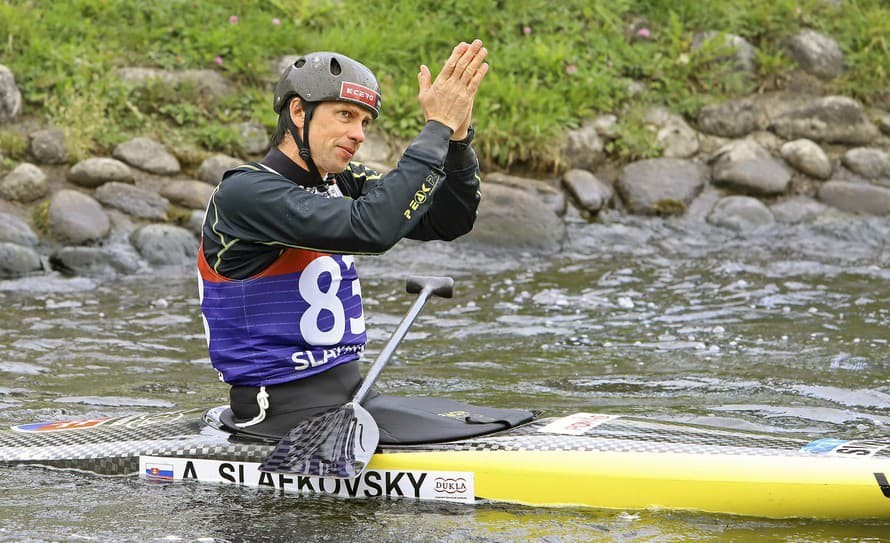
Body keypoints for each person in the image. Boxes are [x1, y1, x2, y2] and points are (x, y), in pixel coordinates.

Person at [198, 40, 532, 443]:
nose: (357, 134)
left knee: (502, 420)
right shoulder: (247, 193)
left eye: (364, 123)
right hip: (275, 417)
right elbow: (370, 230)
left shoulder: (342, 181)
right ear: (298, 111)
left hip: (351, 400)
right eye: (345, 115)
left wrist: (457, 140)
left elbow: (448, 220)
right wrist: (435, 129)